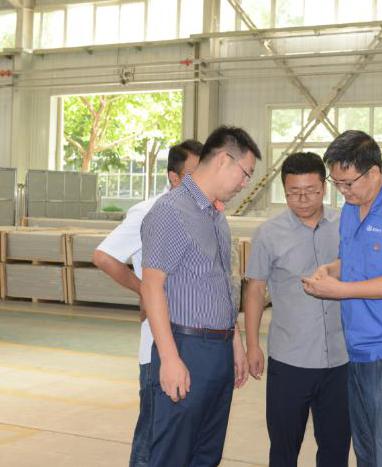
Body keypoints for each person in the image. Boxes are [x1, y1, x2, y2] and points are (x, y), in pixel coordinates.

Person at [302, 130, 382, 467]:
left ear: (373, 172)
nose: (343, 191)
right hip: (357, 348)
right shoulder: (350, 209)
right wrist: (330, 271)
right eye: (337, 184)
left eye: (348, 183)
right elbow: (353, 263)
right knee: (366, 451)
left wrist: (340, 291)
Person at [140, 125, 261, 466]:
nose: (245, 183)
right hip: (186, 347)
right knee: (173, 453)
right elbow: (152, 286)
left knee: (207, 454)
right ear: (223, 160)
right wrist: (170, 359)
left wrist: (234, 342)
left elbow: (220, 284)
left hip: (218, 350)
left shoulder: (216, 217)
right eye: (245, 173)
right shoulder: (171, 211)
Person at [92, 139, 202, 467]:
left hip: (196, 342)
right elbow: (104, 256)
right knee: (154, 436)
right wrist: (144, 290)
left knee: (186, 435)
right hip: (158, 346)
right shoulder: (149, 211)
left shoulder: (205, 213)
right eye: (193, 174)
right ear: (174, 177)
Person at [244, 152, 350, 467]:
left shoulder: (345, 225)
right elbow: (255, 290)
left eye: (311, 191)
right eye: (293, 193)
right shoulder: (269, 233)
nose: (302, 200)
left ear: (325, 187)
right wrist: (253, 345)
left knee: (336, 449)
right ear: (284, 189)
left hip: (340, 360)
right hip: (290, 361)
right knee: (284, 449)